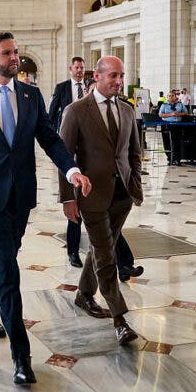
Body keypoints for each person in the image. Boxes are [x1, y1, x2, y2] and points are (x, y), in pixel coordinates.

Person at [0, 32, 91, 386]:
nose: (15, 58)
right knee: (9, 270)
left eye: (15, 52)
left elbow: (49, 138)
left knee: (5, 255)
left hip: (22, 193)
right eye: (7, 53)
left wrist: (71, 169)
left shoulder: (30, 95)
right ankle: (21, 355)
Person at [60, 56, 142, 348]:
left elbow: (134, 153)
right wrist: (67, 199)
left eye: (122, 76)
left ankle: (84, 294)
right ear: (97, 76)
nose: (119, 82)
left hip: (122, 197)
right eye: (113, 76)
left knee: (101, 248)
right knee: (106, 254)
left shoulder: (127, 110)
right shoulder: (76, 111)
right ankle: (120, 320)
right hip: (90, 194)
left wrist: (135, 185)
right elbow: (63, 158)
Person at [47, 56, 87, 267]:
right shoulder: (62, 88)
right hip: (68, 148)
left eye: (82, 68)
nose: (80, 71)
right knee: (74, 201)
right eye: (77, 67)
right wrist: (55, 139)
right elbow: (51, 115)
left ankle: (123, 260)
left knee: (99, 208)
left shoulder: (90, 87)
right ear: (70, 68)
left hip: (88, 149)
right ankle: (73, 252)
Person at [159, 90, 187, 165]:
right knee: (167, 141)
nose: (171, 97)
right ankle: (170, 158)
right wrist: (170, 114)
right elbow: (161, 114)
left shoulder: (180, 104)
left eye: (172, 96)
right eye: (169, 96)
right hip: (167, 125)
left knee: (177, 141)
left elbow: (185, 112)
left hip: (177, 125)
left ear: (175, 97)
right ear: (167, 97)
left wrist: (179, 114)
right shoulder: (164, 105)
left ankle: (177, 159)